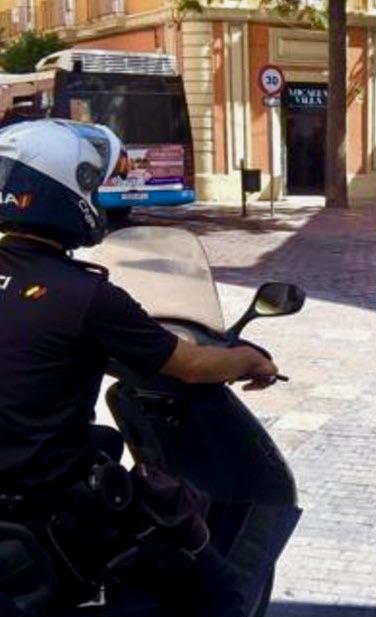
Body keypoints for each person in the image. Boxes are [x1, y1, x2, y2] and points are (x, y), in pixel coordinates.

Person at [0, 120, 279, 616]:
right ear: (65, 190)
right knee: (209, 577)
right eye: (92, 184)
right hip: (45, 504)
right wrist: (249, 360)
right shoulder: (84, 296)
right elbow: (190, 364)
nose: (100, 196)